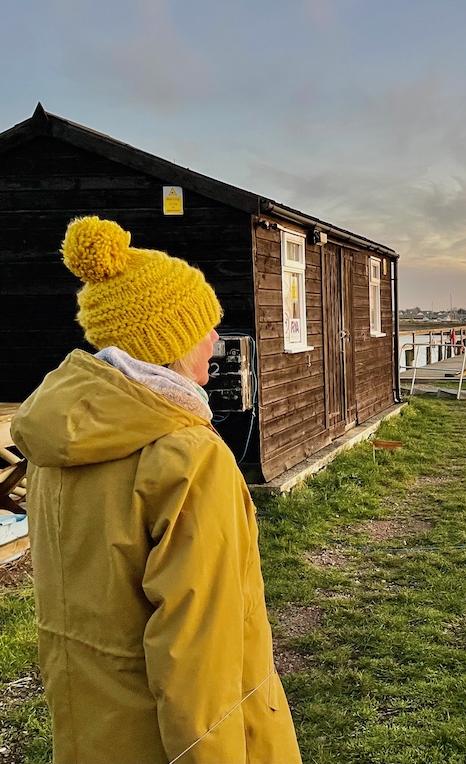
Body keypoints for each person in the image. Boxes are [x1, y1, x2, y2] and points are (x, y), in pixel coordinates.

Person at [11, 216, 302, 764]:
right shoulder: (187, 458)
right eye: (203, 327)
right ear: (165, 342)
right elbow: (198, 657)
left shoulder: (56, 443)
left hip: (92, 733)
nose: (217, 339)